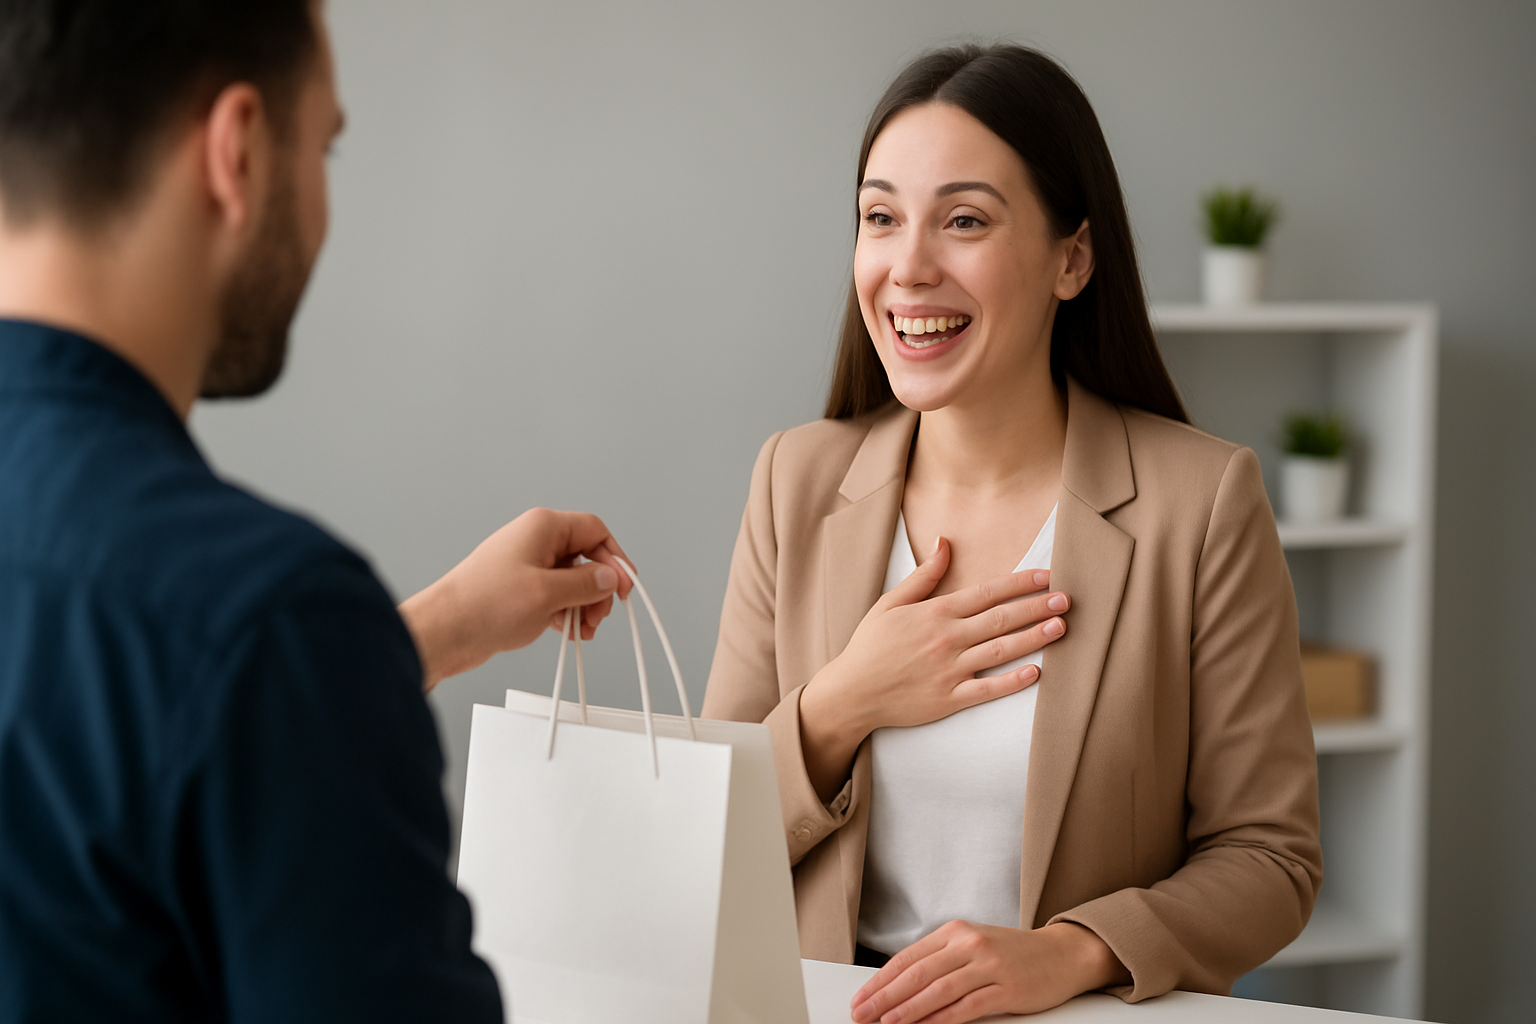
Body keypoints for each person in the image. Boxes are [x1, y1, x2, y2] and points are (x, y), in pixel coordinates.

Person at [0, 3, 629, 1020]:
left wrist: (420, 634)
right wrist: (330, 657)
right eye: (323, 145)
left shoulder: (263, 640)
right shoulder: (274, 619)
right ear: (238, 149)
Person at [702, 43, 1322, 1023]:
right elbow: (705, 836)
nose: (908, 266)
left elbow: (1271, 857)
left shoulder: (1201, 503)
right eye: (879, 217)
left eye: (963, 220)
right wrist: (841, 703)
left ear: (1071, 258)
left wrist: (1072, 953)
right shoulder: (796, 479)